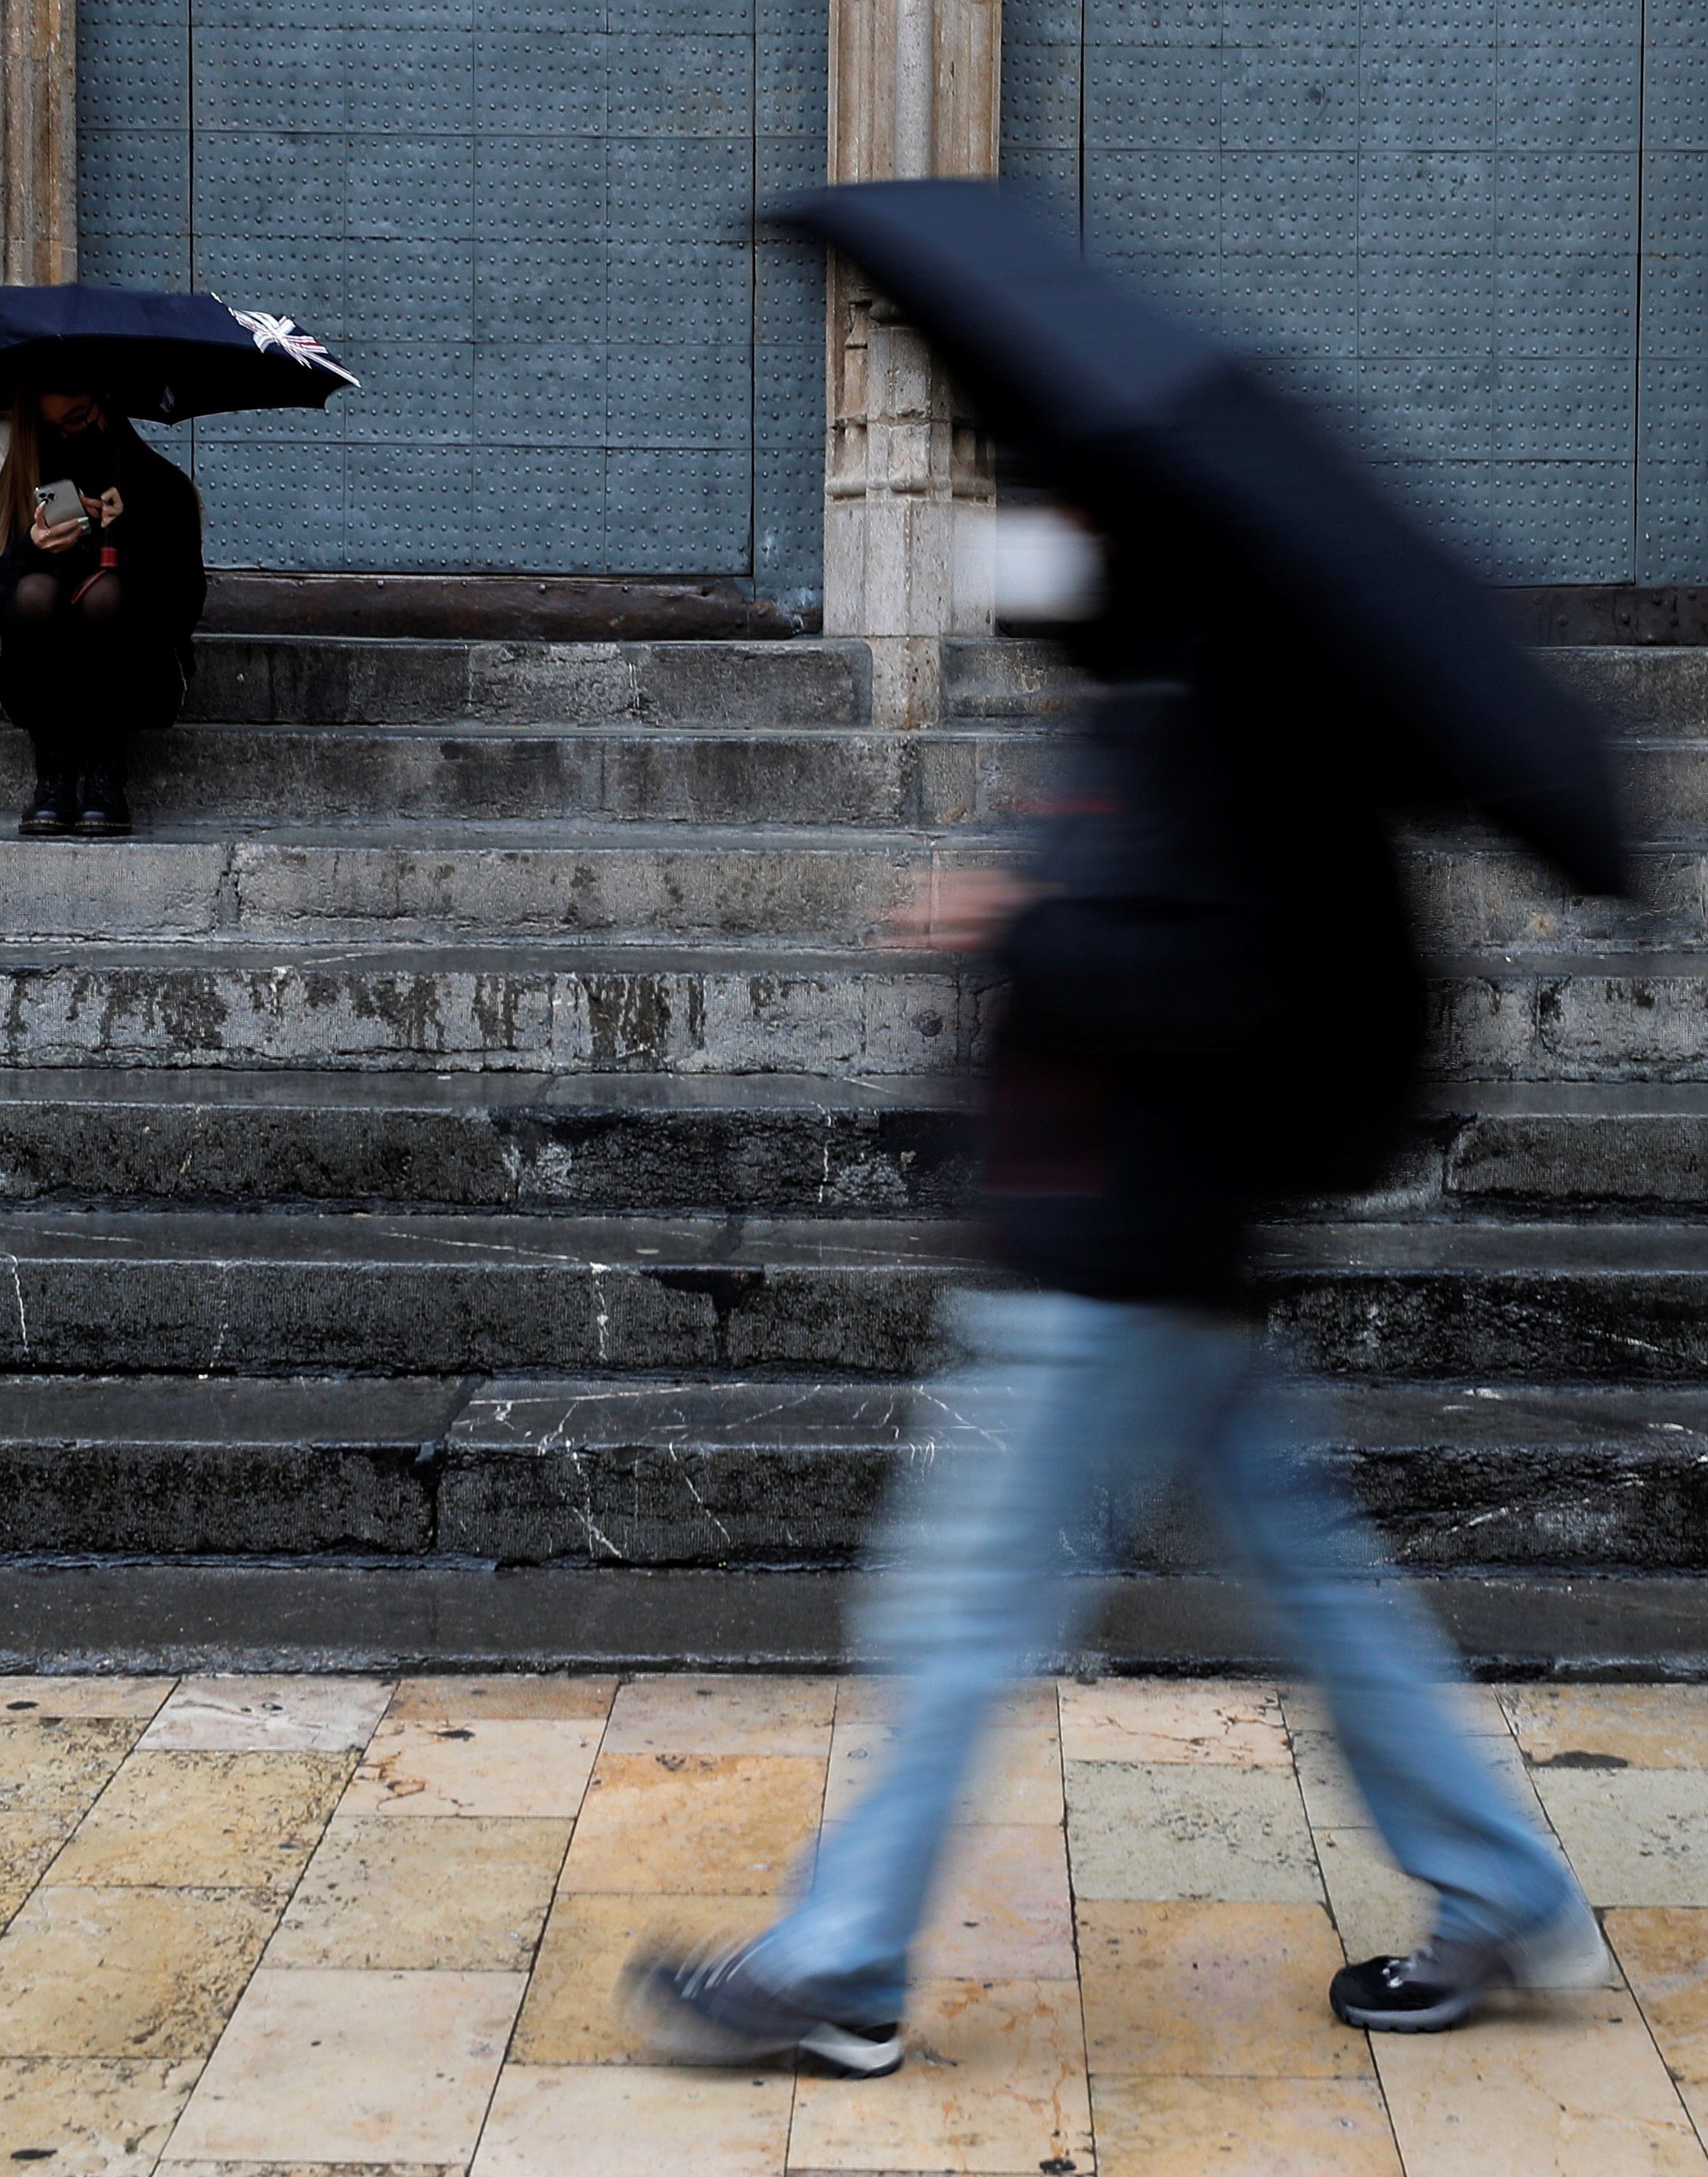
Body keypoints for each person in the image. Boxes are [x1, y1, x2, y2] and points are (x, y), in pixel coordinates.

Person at [620, 500, 1598, 2076]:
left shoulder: (1205, 734)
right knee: (1322, 1587)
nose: (1024, 550)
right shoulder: (1170, 718)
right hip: (1151, 1249)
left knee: (955, 1610)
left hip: (1113, 1259)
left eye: (1061, 524)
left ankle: (840, 1964)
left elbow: (1214, 983)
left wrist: (1023, 922)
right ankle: (1509, 1888)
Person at [0, 385, 206, 839]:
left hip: (144, 678)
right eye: (52, 427)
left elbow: (182, 611)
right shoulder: (28, 484)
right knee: (36, 591)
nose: (68, 434)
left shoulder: (162, 486)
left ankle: (106, 774)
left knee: (104, 596)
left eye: (77, 418)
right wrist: (30, 549)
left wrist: (128, 539)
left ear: (106, 405)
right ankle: (53, 776)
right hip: (36, 686)